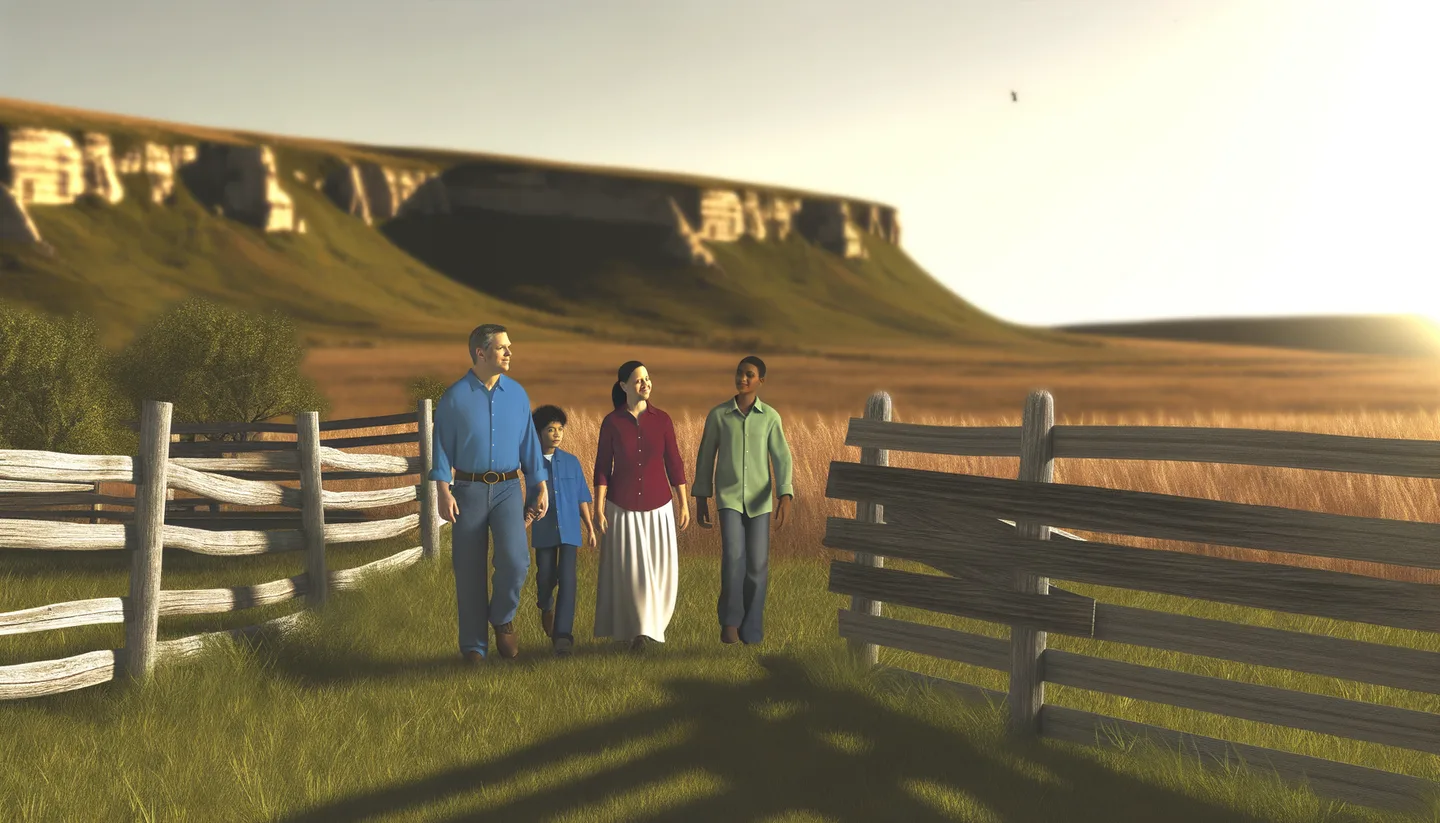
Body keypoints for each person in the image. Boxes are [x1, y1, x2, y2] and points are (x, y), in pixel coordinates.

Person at [431, 323, 549, 663]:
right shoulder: (454, 398)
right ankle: (473, 646)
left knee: (515, 561)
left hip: (509, 489)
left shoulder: (518, 395)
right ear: (481, 353)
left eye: (509, 346)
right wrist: (443, 491)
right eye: (502, 347)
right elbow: (440, 449)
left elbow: (529, 444)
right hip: (466, 489)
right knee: (468, 570)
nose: (510, 352)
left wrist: (539, 484)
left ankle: (502, 617)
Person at [694, 355, 794, 646]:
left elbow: (781, 456)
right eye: (739, 373)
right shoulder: (718, 415)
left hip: (760, 500)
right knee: (734, 559)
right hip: (729, 498)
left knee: (758, 565)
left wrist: (784, 494)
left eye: (749, 374)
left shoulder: (771, 417)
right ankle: (730, 623)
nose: (743, 378)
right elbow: (705, 457)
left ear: (761, 380)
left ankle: (752, 629)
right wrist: (702, 496)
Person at [592, 360, 690, 651]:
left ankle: (649, 627)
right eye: (638, 380)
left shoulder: (663, 420)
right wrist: (598, 508)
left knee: (658, 569)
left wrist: (683, 503)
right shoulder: (611, 422)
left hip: (659, 506)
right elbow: (602, 467)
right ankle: (641, 633)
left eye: (647, 379)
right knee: (631, 570)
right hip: (621, 507)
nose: (645, 384)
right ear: (623, 387)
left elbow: (675, 463)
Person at [523, 405, 595, 657]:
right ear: (538, 433)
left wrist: (590, 527)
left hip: (570, 532)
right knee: (545, 577)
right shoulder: (530, 464)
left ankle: (563, 635)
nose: (556, 434)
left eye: (560, 429)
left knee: (568, 580)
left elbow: (581, 498)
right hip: (543, 530)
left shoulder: (572, 462)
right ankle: (545, 605)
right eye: (550, 429)